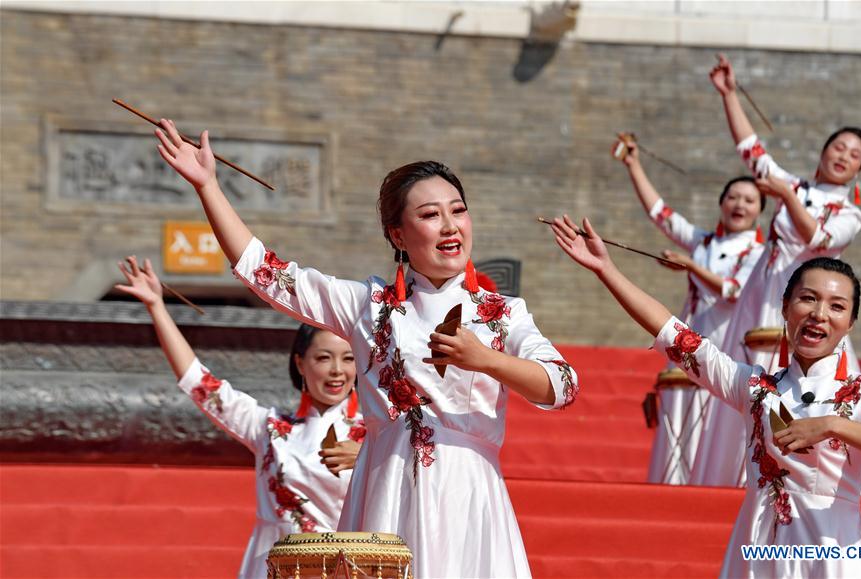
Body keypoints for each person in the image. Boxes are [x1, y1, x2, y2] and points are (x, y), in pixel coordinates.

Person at [152, 120, 579, 578]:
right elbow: (266, 273)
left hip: (469, 493)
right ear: (398, 236)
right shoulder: (367, 304)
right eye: (431, 215)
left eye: (458, 210)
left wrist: (486, 360)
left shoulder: (502, 313)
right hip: (387, 487)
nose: (451, 226)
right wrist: (208, 186)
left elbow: (563, 384)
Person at [549, 214, 861, 577]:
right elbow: (677, 337)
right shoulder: (756, 389)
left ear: (851, 323)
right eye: (807, 299)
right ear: (784, 308)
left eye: (837, 306)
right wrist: (606, 270)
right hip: (760, 552)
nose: (819, 314)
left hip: (834, 555)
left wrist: (831, 425)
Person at [115, 256, 364, 579]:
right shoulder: (269, 428)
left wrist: (372, 457)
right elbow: (200, 383)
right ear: (301, 364)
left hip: (347, 569)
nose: (336, 371)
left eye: (348, 359)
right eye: (323, 358)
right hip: (275, 567)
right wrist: (157, 308)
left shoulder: (377, 435)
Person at [702, 53, 861, 487]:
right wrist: (729, 94)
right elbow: (751, 150)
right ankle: (736, 474)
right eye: (839, 147)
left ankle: (800, 466)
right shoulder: (791, 185)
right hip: (764, 296)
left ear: (857, 172)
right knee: (747, 378)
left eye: (853, 155)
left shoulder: (848, 212)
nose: (843, 156)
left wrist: (784, 195)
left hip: (806, 302)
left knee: (803, 377)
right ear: (824, 150)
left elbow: (818, 239)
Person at [619, 139, 765, 484]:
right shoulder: (703, 244)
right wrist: (633, 165)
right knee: (679, 429)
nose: (739, 205)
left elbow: (732, 291)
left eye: (749, 200)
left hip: (727, 356)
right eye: (733, 197)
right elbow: (662, 214)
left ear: (760, 210)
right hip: (688, 347)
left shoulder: (760, 253)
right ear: (720, 203)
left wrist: (690, 267)